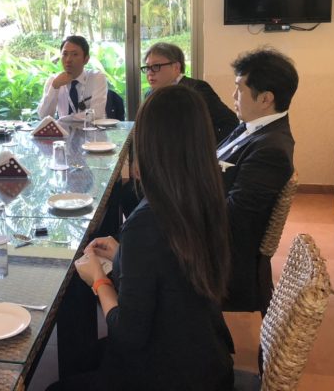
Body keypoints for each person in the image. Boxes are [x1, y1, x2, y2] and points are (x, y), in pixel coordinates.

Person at [50, 85, 235, 390]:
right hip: (206, 358)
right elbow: (173, 266)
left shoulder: (147, 220)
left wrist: (98, 280)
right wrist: (123, 255)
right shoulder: (205, 197)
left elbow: (128, 334)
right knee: (82, 359)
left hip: (168, 375)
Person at [217, 47, 297, 311]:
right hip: (209, 227)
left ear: (265, 99)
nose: (233, 95)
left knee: (140, 245)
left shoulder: (271, 149)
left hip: (222, 260)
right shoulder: (251, 127)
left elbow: (234, 221)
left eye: (239, 88)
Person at [143, 42, 238, 142]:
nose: (150, 73)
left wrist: (207, 147)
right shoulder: (150, 94)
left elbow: (230, 123)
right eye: (147, 67)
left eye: (156, 66)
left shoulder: (196, 89)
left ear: (176, 67)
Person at [37, 35, 107, 122]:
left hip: (91, 129)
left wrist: (65, 119)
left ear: (86, 59)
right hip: (64, 130)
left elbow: (97, 114)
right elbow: (43, 116)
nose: (68, 60)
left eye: (75, 54)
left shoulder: (97, 78)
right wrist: (54, 87)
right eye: (65, 54)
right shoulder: (54, 80)